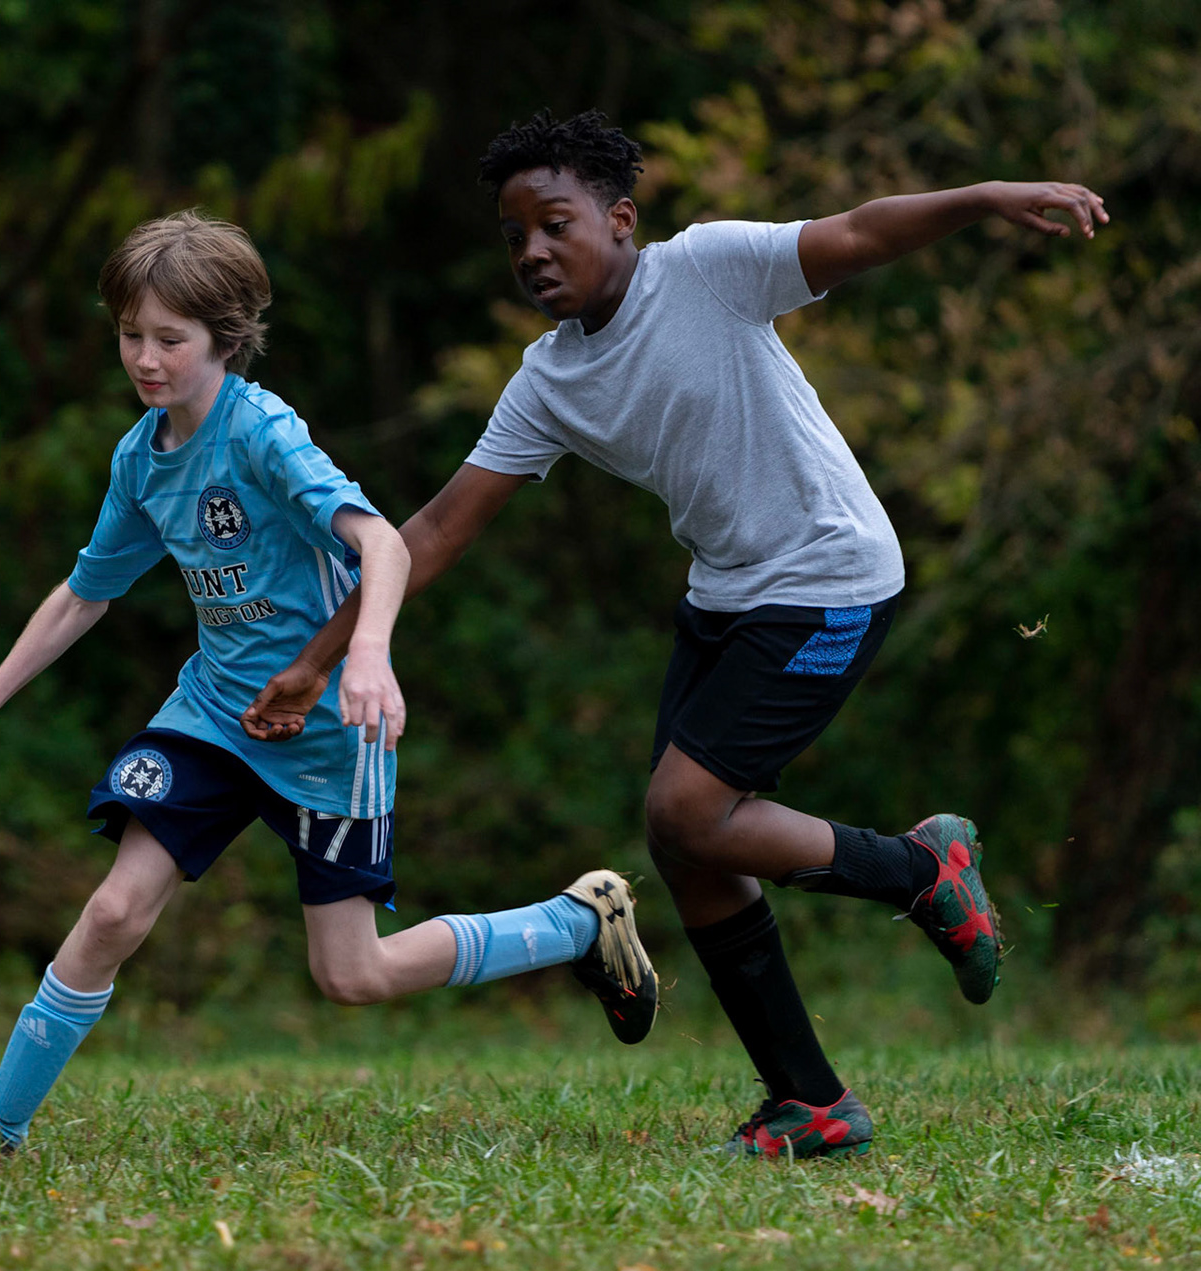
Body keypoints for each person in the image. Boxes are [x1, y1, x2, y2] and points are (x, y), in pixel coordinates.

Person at [243, 109, 1107, 1159]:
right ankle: (810, 1099)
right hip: (729, 594)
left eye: (554, 224)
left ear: (620, 219)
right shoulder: (550, 379)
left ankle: (921, 871)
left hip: (831, 578)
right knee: (683, 835)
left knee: (687, 807)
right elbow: (432, 529)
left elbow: (861, 232)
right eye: (515, 236)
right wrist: (317, 655)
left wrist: (983, 198)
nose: (533, 253)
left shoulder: (707, 269)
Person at [0, 211, 658, 1159]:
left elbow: (381, 540)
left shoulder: (260, 431)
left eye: (169, 339)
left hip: (330, 738)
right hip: (213, 715)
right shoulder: (141, 460)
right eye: (131, 335)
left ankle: (573, 926)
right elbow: (83, 596)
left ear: (225, 334)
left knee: (352, 977)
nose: (145, 358)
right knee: (113, 909)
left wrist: (367, 654)